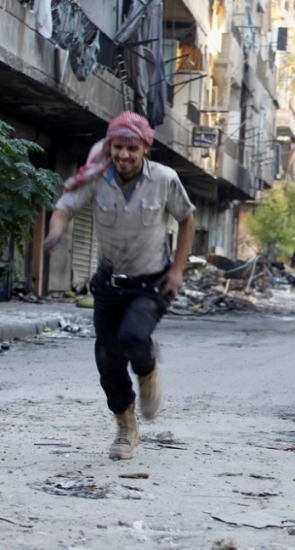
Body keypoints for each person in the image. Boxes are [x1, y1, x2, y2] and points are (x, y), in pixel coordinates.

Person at [44, 111, 195, 460]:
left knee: (132, 337)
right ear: (110, 147)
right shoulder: (98, 178)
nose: (123, 155)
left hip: (152, 282)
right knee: (107, 359)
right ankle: (126, 429)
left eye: (131, 149)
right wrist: (56, 229)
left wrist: (177, 270)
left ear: (144, 149)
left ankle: (147, 367)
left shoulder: (164, 179)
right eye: (117, 148)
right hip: (110, 283)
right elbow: (64, 207)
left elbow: (187, 219)